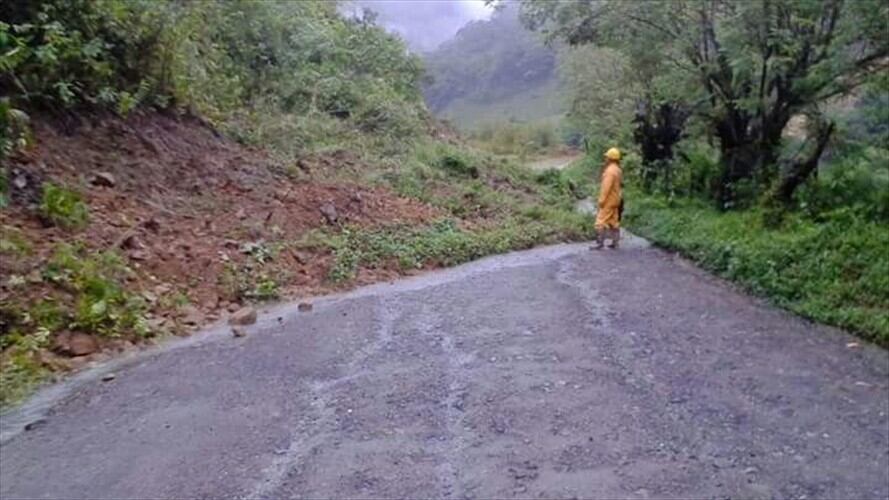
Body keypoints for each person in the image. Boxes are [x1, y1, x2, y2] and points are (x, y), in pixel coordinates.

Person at [592, 147, 623, 250]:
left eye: (607, 157)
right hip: (616, 199)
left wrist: (601, 200)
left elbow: (606, 187)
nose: (605, 159)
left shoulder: (609, 171)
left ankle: (599, 243)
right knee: (614, 221)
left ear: (610, 158)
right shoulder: (618, 170)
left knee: (600, 222)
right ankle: (615, 242)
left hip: (609, 200)